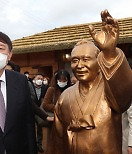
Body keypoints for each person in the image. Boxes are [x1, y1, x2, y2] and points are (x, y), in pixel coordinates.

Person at [48, 10, 132, 154]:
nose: (79, 65)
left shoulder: (110, 89)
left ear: (98, 62)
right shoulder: (65, 97)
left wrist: (110, 53)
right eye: (75, 60)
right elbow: (58, 139)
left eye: (86, 59)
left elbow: (125, 96)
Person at [32, 73, 48, 153]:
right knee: (31, 128)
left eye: (42, 79)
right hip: (31, 110)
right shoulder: (29, 86)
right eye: (38, 78)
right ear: (34, 79)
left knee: (40, 128)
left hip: (40, 111)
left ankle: (39, 145)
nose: (40, 80)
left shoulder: (45, 88)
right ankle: (32, 145)